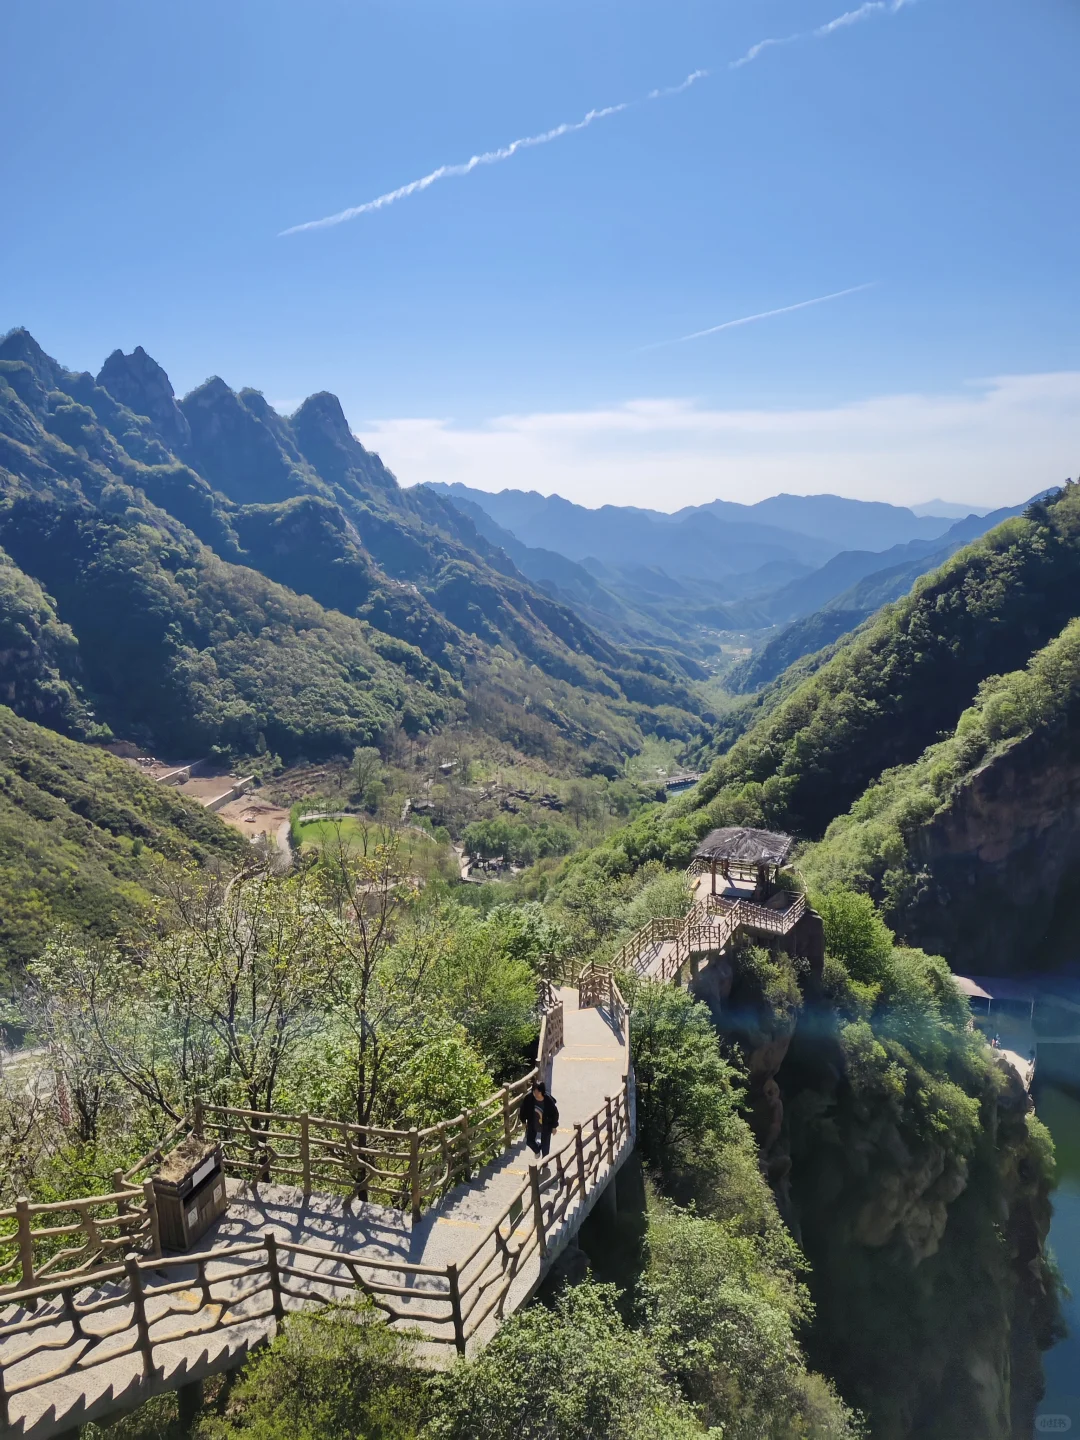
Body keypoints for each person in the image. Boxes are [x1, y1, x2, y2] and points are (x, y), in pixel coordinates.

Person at [519, 1079, 559, 1158]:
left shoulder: (548, 1100)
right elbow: (523, 1110)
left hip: (546, 1124)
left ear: (542, 1091)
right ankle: (537, 1150)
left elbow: (555, 1114)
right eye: (534, 1091)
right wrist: (523, 1121)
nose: (536, 1094)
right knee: (529, 1141)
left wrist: (554, 1126)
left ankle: (545, 1162)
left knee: (545, 1146)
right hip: (532, 1123)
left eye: (538, 1092)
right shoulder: (529, 1098)